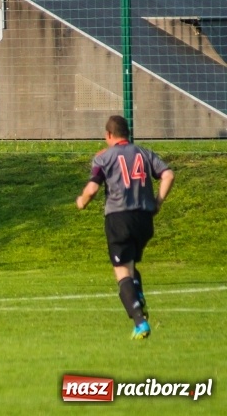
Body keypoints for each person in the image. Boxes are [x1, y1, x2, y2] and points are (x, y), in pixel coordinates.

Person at [76, 115, 175, 340]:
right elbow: (168, 174)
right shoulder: (144, 153)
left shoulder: (103, 158)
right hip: (144, 219)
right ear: (127, 133)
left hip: (119, 218)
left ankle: (140, 322)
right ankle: (138, 294)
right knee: (130, 266)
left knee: (121, 272)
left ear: (108, 135)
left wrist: (81, 201)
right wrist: (157, 201)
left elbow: (91, 189)